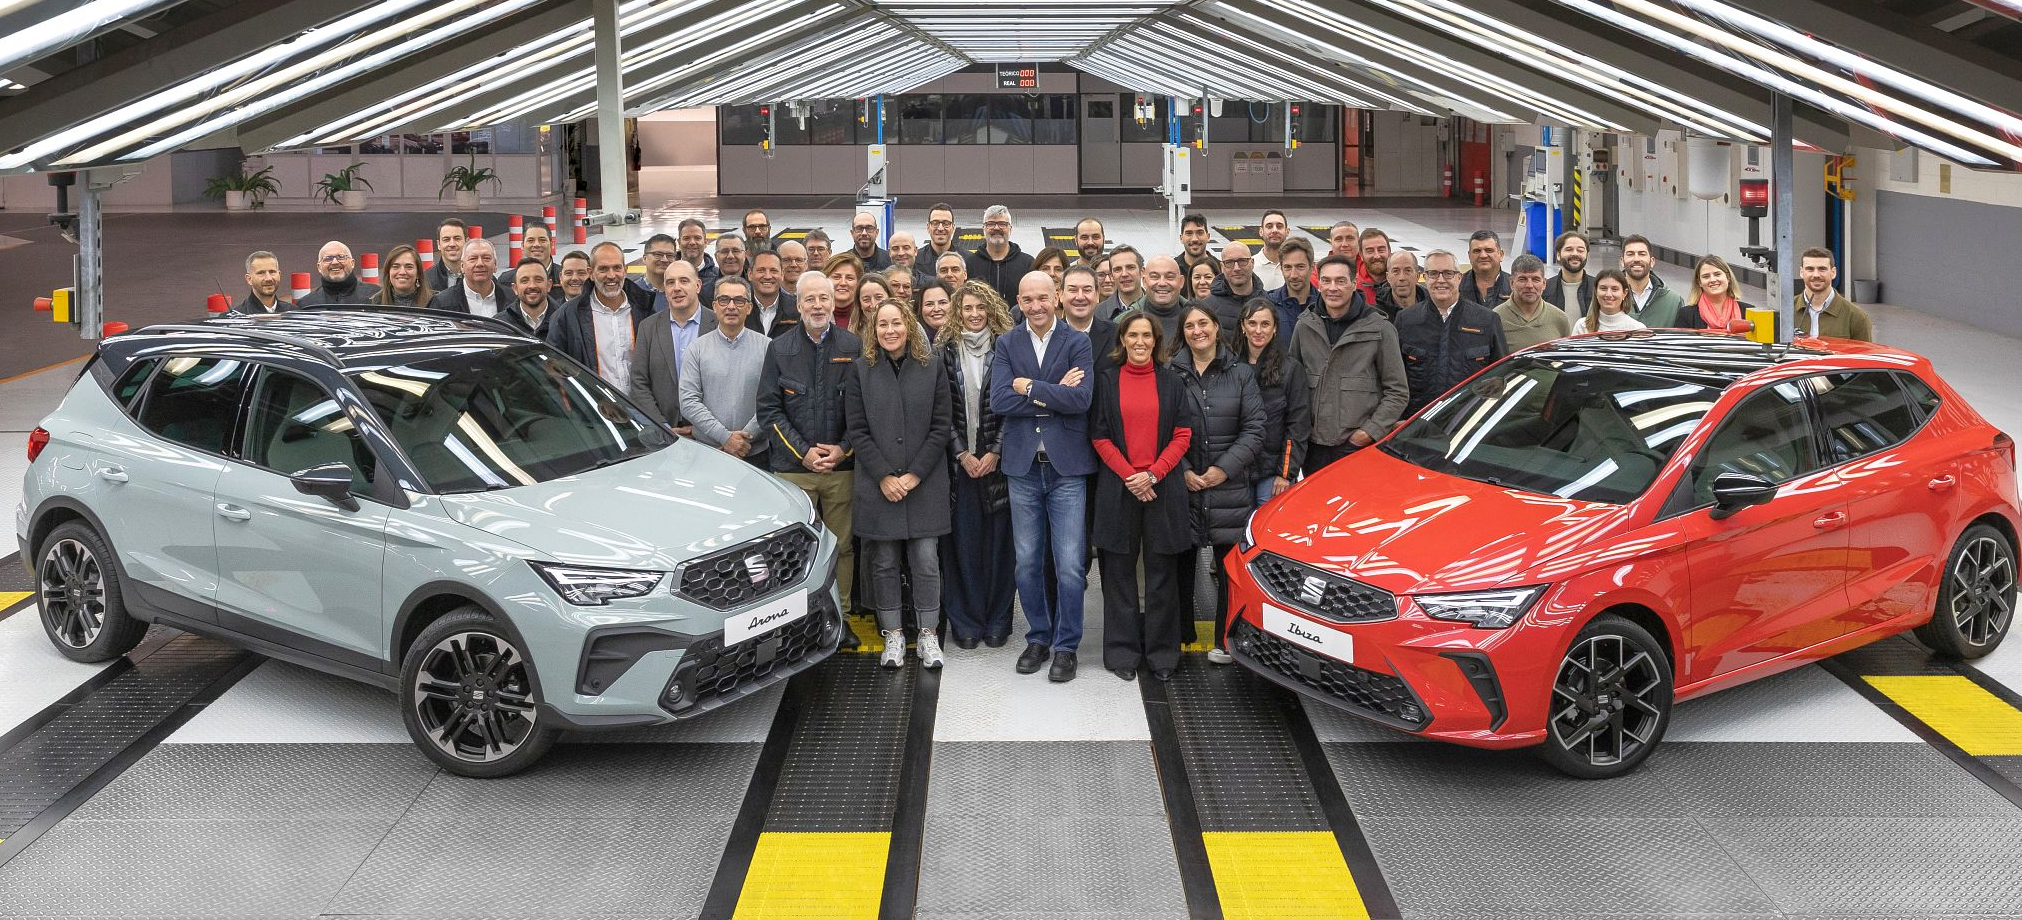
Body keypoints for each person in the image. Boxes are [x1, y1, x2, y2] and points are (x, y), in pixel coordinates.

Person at [990, 271, 1096, 683]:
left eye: (1042, 298)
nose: (1035, 306)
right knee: (1027, 563)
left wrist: (1030, 387)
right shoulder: (1007, 342)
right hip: (1023, 468)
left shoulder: (1077, 341)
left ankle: (1066, 646)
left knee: (1069, 566)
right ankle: (1038, 637)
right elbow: (1000, 400)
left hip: (1066, 469)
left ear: (1057, 298)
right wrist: (1054, 391)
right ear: (1019, 301)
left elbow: (1081, 399)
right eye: (1027, 299)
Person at [847, 299, 954, 669]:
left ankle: (927, 634)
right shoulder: (860, 370)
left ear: (908, 325)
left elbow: (941, 425)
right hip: (879, 485)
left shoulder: (932, 366)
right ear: (873, 330)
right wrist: (884, 476)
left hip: (924, 483)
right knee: (884, 561)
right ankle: (892, 634)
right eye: (882, 324)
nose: (890, 330)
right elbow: (857, 430)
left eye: (896, 323)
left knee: (926, 560)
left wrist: (914, 474)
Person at [757, 272, 861, 650]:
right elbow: (769, 411)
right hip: (793, 472)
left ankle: (841, 618)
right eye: (810, 299)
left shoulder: (853, 346)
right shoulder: (779, 349)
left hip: (840, 470)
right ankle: (794, 626)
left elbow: (863, 409)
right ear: (798, 304)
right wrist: (804, 452)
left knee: (842, 548)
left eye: (824, 298)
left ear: (833, 303)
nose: (818, 306)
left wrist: (843, 449)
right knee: (792, 554)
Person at [1090, 309, 1194, 681]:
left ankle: (1162, 654)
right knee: (1118, 573)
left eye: (1146, 335)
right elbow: (1100, 435)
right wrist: (1131, 476)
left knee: (1162, 574)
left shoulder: (1171, 382)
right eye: (1132, 335)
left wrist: (1152, 474)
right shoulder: (1107, 380)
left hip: (1161, 487)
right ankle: (1122, 652)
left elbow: (1182, 434)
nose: (1139, 342)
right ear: (1122, 340)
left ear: (1156, 340)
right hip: (1119, 487)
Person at [1170, 304, 1265, 655]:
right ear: (1182, 333)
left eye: (1203, 323)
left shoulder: (1240, 374)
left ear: (1216, 327)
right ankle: (1180, 635)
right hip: (1183, 484)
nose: (1197, 331)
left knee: (1228, 570)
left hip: (1229, 486)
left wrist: (1223, 469)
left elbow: (1255, 428)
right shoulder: (1171, 374)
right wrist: (1183, 471)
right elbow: (1161, 428)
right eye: (1190, 326)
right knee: (1180, 568)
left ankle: (1225, 641)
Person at [939, 280, 1016, 648]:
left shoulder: (1008, 348)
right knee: (962, 546)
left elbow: (1015, 407)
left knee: (1001, 547)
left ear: (991, 310)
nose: (974, 314)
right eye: (967, 308)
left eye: (980, 307)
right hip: (960, 464)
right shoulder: (943, 352)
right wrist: (961, 453)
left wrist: (995, 451)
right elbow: (939, 410)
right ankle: (966, 622)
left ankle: (998, 620)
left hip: (997, 462)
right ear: (958, 311)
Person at [1293, 256, 1409, 475]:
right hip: (1312, 448)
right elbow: (1293, 386)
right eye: (1326, 281)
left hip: (1357, 448)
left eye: (1340, 281)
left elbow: (1397, 391)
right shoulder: (1305, 326)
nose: (1332, 288)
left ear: (1354, 284)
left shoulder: (1379, 329)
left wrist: (1368, 433)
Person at [1397, 250, 1509, 416]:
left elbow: (1500, 377)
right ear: (1425, 278)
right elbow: (1394, 381)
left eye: (1448, 273)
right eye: (1433, 273)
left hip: (1468, 423)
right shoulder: (1406, 320)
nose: (1441, 280)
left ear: (1459, 278)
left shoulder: (1487, 320)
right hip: (1415, 423)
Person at [680, 275, 770, 468]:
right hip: (709, 453)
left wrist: (743, 440)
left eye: (739, 300)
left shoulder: (767, 347)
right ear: (714, 306)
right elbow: (688, 401)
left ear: (749, 307)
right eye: (724, 300)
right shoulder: (696, 349)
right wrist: (725, 437)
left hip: (755, 453)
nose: (731, 306)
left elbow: (774, 401)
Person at [551, 241, 661, 389]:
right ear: (591, 273)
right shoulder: (567, 316)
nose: (611, 275)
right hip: (594, 402)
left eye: (617, 268)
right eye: (603, 269)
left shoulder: (644, 309)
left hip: (639, 401)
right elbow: (556, 371)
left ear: (625, 270)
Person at [1237, 298, 1309, 508]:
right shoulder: (1230, 366)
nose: (1258, 330)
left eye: (1265, 324)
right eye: (1252, 323)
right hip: (1237, 469)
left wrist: (1285, 473)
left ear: (1275, 328)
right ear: (1242, 326)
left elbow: (1298, 424)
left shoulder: (1291, 369)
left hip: (1274, 470)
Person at [1494, 254, 1574, 350]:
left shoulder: (1560, 319)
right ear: (1511, 283)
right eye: (1522, 279)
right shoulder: (1496, 318)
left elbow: (1566, 356)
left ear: (1544, 283)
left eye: (1536, 279)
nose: (1529, 285)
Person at [1795, 248, 1875, 341]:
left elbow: (1864, 350)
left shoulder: (1856, 317)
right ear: (1801, 272)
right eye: (1810, 269)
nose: (1816, 274)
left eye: (1822, 269)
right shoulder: (1784, 312)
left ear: (1833, 273)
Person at [965, 204, 1035, 305]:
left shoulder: (1027, 263)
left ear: (1010, 229)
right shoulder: (970, 263)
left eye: (1002, 224)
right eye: (990, 224)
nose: (996, 228)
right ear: (983, 229)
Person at [1675, 255, 1755, 332]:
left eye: (1717, 274)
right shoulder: (1686, 314)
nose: (1712, 280)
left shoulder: (1749, 311)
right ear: (1699, 282)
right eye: (1706, 276)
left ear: (1728, 278)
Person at [1060, 265, 1117, 373]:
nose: (1080, 297)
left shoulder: (1117, 335)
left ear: (1097, 295)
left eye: (1087, 290)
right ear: (1061, 295)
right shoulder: (1047, 337)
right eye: (1073, 290)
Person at [426, 238, 502, 317]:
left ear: (495, 265)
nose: (480, 264)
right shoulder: (441, 303)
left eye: (486, 258)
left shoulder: (509, 299)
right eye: (473, 259)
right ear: (462, 266)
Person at [1620, 234, 1684, 327]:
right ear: (1622, 261)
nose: (1636, 259)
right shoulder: (1608, 297)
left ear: (1652, 261)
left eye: (1642, 254)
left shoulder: (1673, 301)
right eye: (1630, 254)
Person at [1267, 238, 1319, 348]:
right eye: (1288, 267)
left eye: (1300, 267)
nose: (1294, 275)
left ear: (1312, 267)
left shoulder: (1325, 306)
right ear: (1281, 269)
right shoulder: (1268, 305)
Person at [296, 241, 380, 306]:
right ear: (319, 267)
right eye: (328, 258)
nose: (335, 262)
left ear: (352, 263)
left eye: (341, 257)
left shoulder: (377, 295)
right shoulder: (307, 304)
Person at [1202, 241, 1261, 332]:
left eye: (1242, 261)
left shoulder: (1269, 303)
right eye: (1229, 263)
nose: (1236, 268)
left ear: (1252, 263)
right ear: (1222, 267)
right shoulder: (1206, 308)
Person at [1133, 255, 1191, 342]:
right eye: (1155, 277)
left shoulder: (1198, 320)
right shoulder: (1124, 321)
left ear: (1181, 281)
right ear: (1144, 282)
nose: (1162, 283)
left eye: (1169, 277)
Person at [748, 249, 799, 337]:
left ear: (782, 275)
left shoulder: (798, 308)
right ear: (750, 274)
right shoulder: (739, 307)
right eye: (761, 270)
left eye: (773, 271)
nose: (768, 276)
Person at [501, 258, 556, 338]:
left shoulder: (565, 319)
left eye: (538, 280)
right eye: (524, 281)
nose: (532, 286)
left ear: (549, 285)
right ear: (515, 288)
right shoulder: (500, 324)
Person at [1544, 231, 1593, 317]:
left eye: (1580, 250)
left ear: (1586, 255)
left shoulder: (1598, 288)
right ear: (1558, 255)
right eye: (1569, 249)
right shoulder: (1545, 289)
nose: (1575, 254)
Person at [1459, 230, 1511, 309]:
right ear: (1469, 256)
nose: (1483, 255)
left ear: (1501, 254)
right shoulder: (1456, 286)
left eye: (1489, 250)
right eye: (1477, 251)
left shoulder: (1516, 287)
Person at [1583, 269, 1646, 334]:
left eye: (1615, 289)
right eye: (1603, 288)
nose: (1608, 294)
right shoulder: (1582, 326)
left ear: (1625, 293)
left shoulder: (1637, 329)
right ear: (1596, 292)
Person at [1379, 250, 1429, 319]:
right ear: (1388, 277)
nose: (1402, 278)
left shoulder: (1434, 310)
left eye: (1408, 271)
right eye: (1396, 271)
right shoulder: (1377, 314)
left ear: (1417, 276)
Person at [1098, 246, 1145, 318]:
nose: (1124, 274)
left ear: (1142, 272)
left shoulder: (1159, 308)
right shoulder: (1097, 314)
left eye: (1130, 267)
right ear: (1111, 276)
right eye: (1118, 269)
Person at [825, 252, 864, 335]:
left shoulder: (867, 314)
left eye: (849, 278)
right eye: (836, 277)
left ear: (858, 282)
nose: (843, 283)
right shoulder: (815, 314)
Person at [637, 233, 681, 302]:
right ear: (645, 258)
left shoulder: (682, 291)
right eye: (658, 254)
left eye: (670, 255)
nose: (665, 260)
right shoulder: (632, 292)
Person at [1354, 228, 1392, 307]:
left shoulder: (1402, 281)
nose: (1377, 256)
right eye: (1370, 251)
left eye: (1381, 250)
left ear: (1389, 251)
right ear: (1361, 255)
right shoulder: (1353, 287)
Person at [853, 272, 895, 341]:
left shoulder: (908, 329)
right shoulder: (852, 337)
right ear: (859, 304)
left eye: (878, 297)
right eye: (866, 299)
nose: (873, 305)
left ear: (890, 298)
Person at [426, 219, 465, 291]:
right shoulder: (425, 280)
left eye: (457, 238)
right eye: (446, 239)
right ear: (438, 245)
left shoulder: (480, 277)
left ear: (467, 242)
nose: (452, 244)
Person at [1255, 210, 1290, 290]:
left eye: (1279, 226)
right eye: (1269, 226)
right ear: (1261, 231)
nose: (1274, 230)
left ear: (1287, 231)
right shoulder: (1250, 266)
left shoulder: (1297, 266)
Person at [1178, 213, 1219, 282]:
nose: (1195, 239)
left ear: (1208, 237)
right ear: (1181, 238)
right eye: (1189, 233)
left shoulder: (1221, 269)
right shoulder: (1172, 269)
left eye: (1200, 233)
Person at [677, 219, 718, 284]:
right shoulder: (667, 274)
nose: (692, 242)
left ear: (705, 242)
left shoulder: (718, 277)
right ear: (679, 243)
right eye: (686, 238)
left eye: (697, 238)